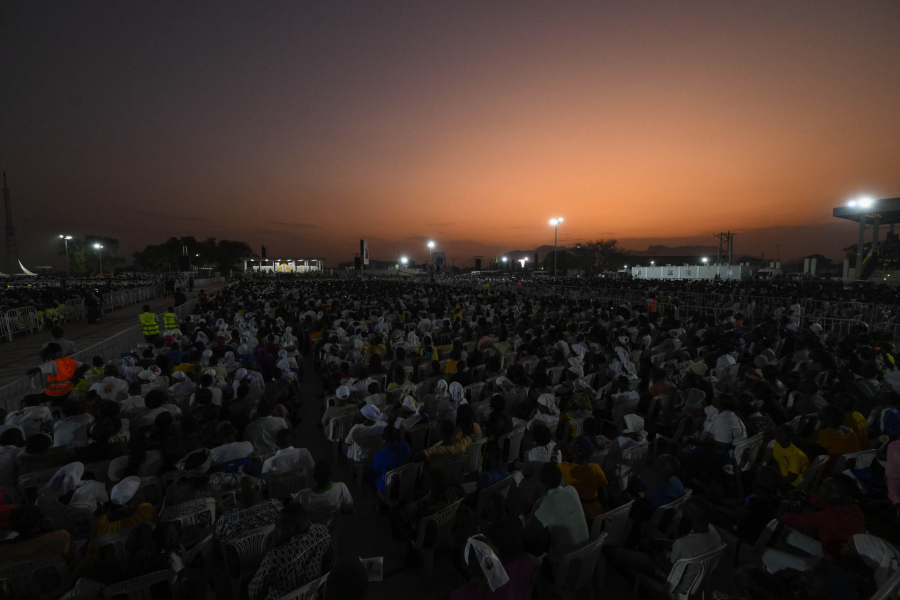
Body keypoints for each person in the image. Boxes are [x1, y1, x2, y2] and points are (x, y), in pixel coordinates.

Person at [609, 497, 722, 596]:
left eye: (687, 508)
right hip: (691, 574)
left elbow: (668, 568)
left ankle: (635, 583)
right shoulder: (713, 532)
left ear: (695, 518)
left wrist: (651, 551)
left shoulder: (683, 544)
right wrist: (660, 544)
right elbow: (681, 547)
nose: (683, 506)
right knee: (646, 528)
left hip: (674, 583)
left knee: (611, 552)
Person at [762, 475, 866, 573]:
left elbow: (782, 516)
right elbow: (825, 504)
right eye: (823, 486)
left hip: (833, 568)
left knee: (765, 553)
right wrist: (807, 496)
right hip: (833, 554)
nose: (822, 490)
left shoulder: (826, 517)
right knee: (787, 533)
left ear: (844, 495)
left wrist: (786, 500)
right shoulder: (852, 508)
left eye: (829, 490)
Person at [248, 503, 333, 600]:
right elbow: (329, 567)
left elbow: (253, 592)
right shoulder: (323, 533)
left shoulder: (275, 558)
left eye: (281, 527)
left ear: (296, 528)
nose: (275, 531)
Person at [524, 462, 589, 560]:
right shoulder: (572, 490)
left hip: (564, 563)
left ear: (542, 482)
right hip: (587, 553)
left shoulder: (543, 503)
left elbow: (527, 534)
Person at [215, 477, 283, 542]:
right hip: (270, 551)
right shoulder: (274, 506)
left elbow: (217, 542)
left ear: (237, 497)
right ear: (258, 490)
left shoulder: (224, 522)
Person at [372, 425, 411, 492]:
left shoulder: (380, 455)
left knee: (373, 473)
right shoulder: (405, 445)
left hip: (389, 488)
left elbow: (375, 471)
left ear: (384, 438)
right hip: (406, 481)